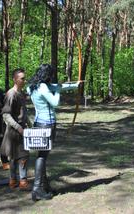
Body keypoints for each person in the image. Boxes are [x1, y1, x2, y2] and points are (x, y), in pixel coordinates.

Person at [27, 64, 80, 201]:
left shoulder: (32, 86)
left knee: (41, 155)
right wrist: (58, 91)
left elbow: (55, 86)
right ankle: (37, 188)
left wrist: (74, 85)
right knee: (42, 156)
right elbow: (55, 101)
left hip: (38, 123)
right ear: (47, 75)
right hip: (47, 124)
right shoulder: (43, 87)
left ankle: (43, 186)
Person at [0, 68, 30, 190]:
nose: (24, 80)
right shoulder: (10, 94)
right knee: (13, 157)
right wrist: (18, 127)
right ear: (15, 79)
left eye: (24, 78)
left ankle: (23, 181)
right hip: (13, 131)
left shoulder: (21, 93)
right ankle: (13, 180)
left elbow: (23, 113)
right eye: (22, 78)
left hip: (23, 130)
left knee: (24, 156)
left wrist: (29, 123)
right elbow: (6, 115)